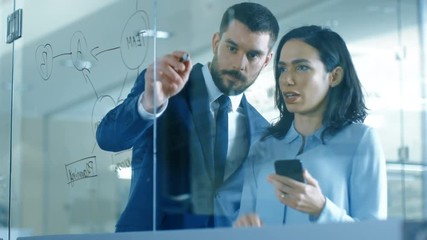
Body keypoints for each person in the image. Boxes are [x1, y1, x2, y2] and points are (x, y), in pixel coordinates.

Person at [96, 2, 279, 232]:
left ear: (266, 60)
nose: (239, 64)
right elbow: (108, 138)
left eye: (253, 55)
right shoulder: (165, 88)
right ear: (216, 42)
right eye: (232, 48)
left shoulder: (261, 130)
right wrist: (150, 103)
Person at [234, 25, 387, 227]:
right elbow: (243, 223)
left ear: (334, 76)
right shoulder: (264, 146)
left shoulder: (360, 141)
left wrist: (322, 209)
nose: (287, 79)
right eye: (282, 69)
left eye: (302, 67)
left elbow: (374, 232)